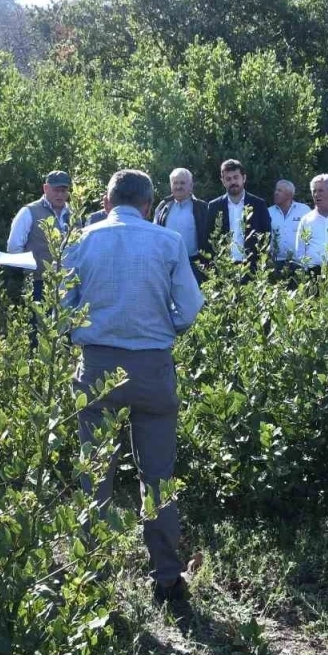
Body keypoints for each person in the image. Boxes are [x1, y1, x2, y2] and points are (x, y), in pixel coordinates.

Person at [62, 169, 204, 604]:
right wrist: (165, 328)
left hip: (98, 365)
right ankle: (166, 578)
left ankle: (91, 574)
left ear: (107, 202)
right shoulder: (167, 242)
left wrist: (80, 334)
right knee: (158, 476)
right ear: (148, 204)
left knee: (95, 474)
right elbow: (191, 307)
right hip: (152, 367)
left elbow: (59, 307)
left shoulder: (81, 240)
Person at [8, 171, 74, 301]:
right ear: (46, 188)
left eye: (64, 190)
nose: (60, 194)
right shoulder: (29, 211)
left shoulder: (73, 214)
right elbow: (13, 248)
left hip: (68, 283)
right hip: (38, 284)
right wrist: (30, 270)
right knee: (38, 321)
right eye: (56, 190)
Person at [207, 159, 271, 267]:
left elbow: (266, 234)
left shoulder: (259, 205)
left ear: (244, 178)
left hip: (252, 266)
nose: (233, 182)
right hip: (224, 267)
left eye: (236, 177)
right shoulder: (214, 206)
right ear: (223, 181)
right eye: (228, 179)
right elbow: (208, 236)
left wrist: (261, 261)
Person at [153, 168, 211, 281]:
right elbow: (155, 235)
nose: (178, 186)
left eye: (182, 183)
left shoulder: (202, 208)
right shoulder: (163, 207)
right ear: (171, 185)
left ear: (191, 186)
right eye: (175, 183)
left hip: (194, 265)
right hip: (167, 265)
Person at [268, 179, 312, 266]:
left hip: (299, 262)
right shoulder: (268, 212)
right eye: (276, 190)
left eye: (279, 190)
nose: (275, 193)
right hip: (276, 262)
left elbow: (312, 234)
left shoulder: (304, 210)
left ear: (289, 194)